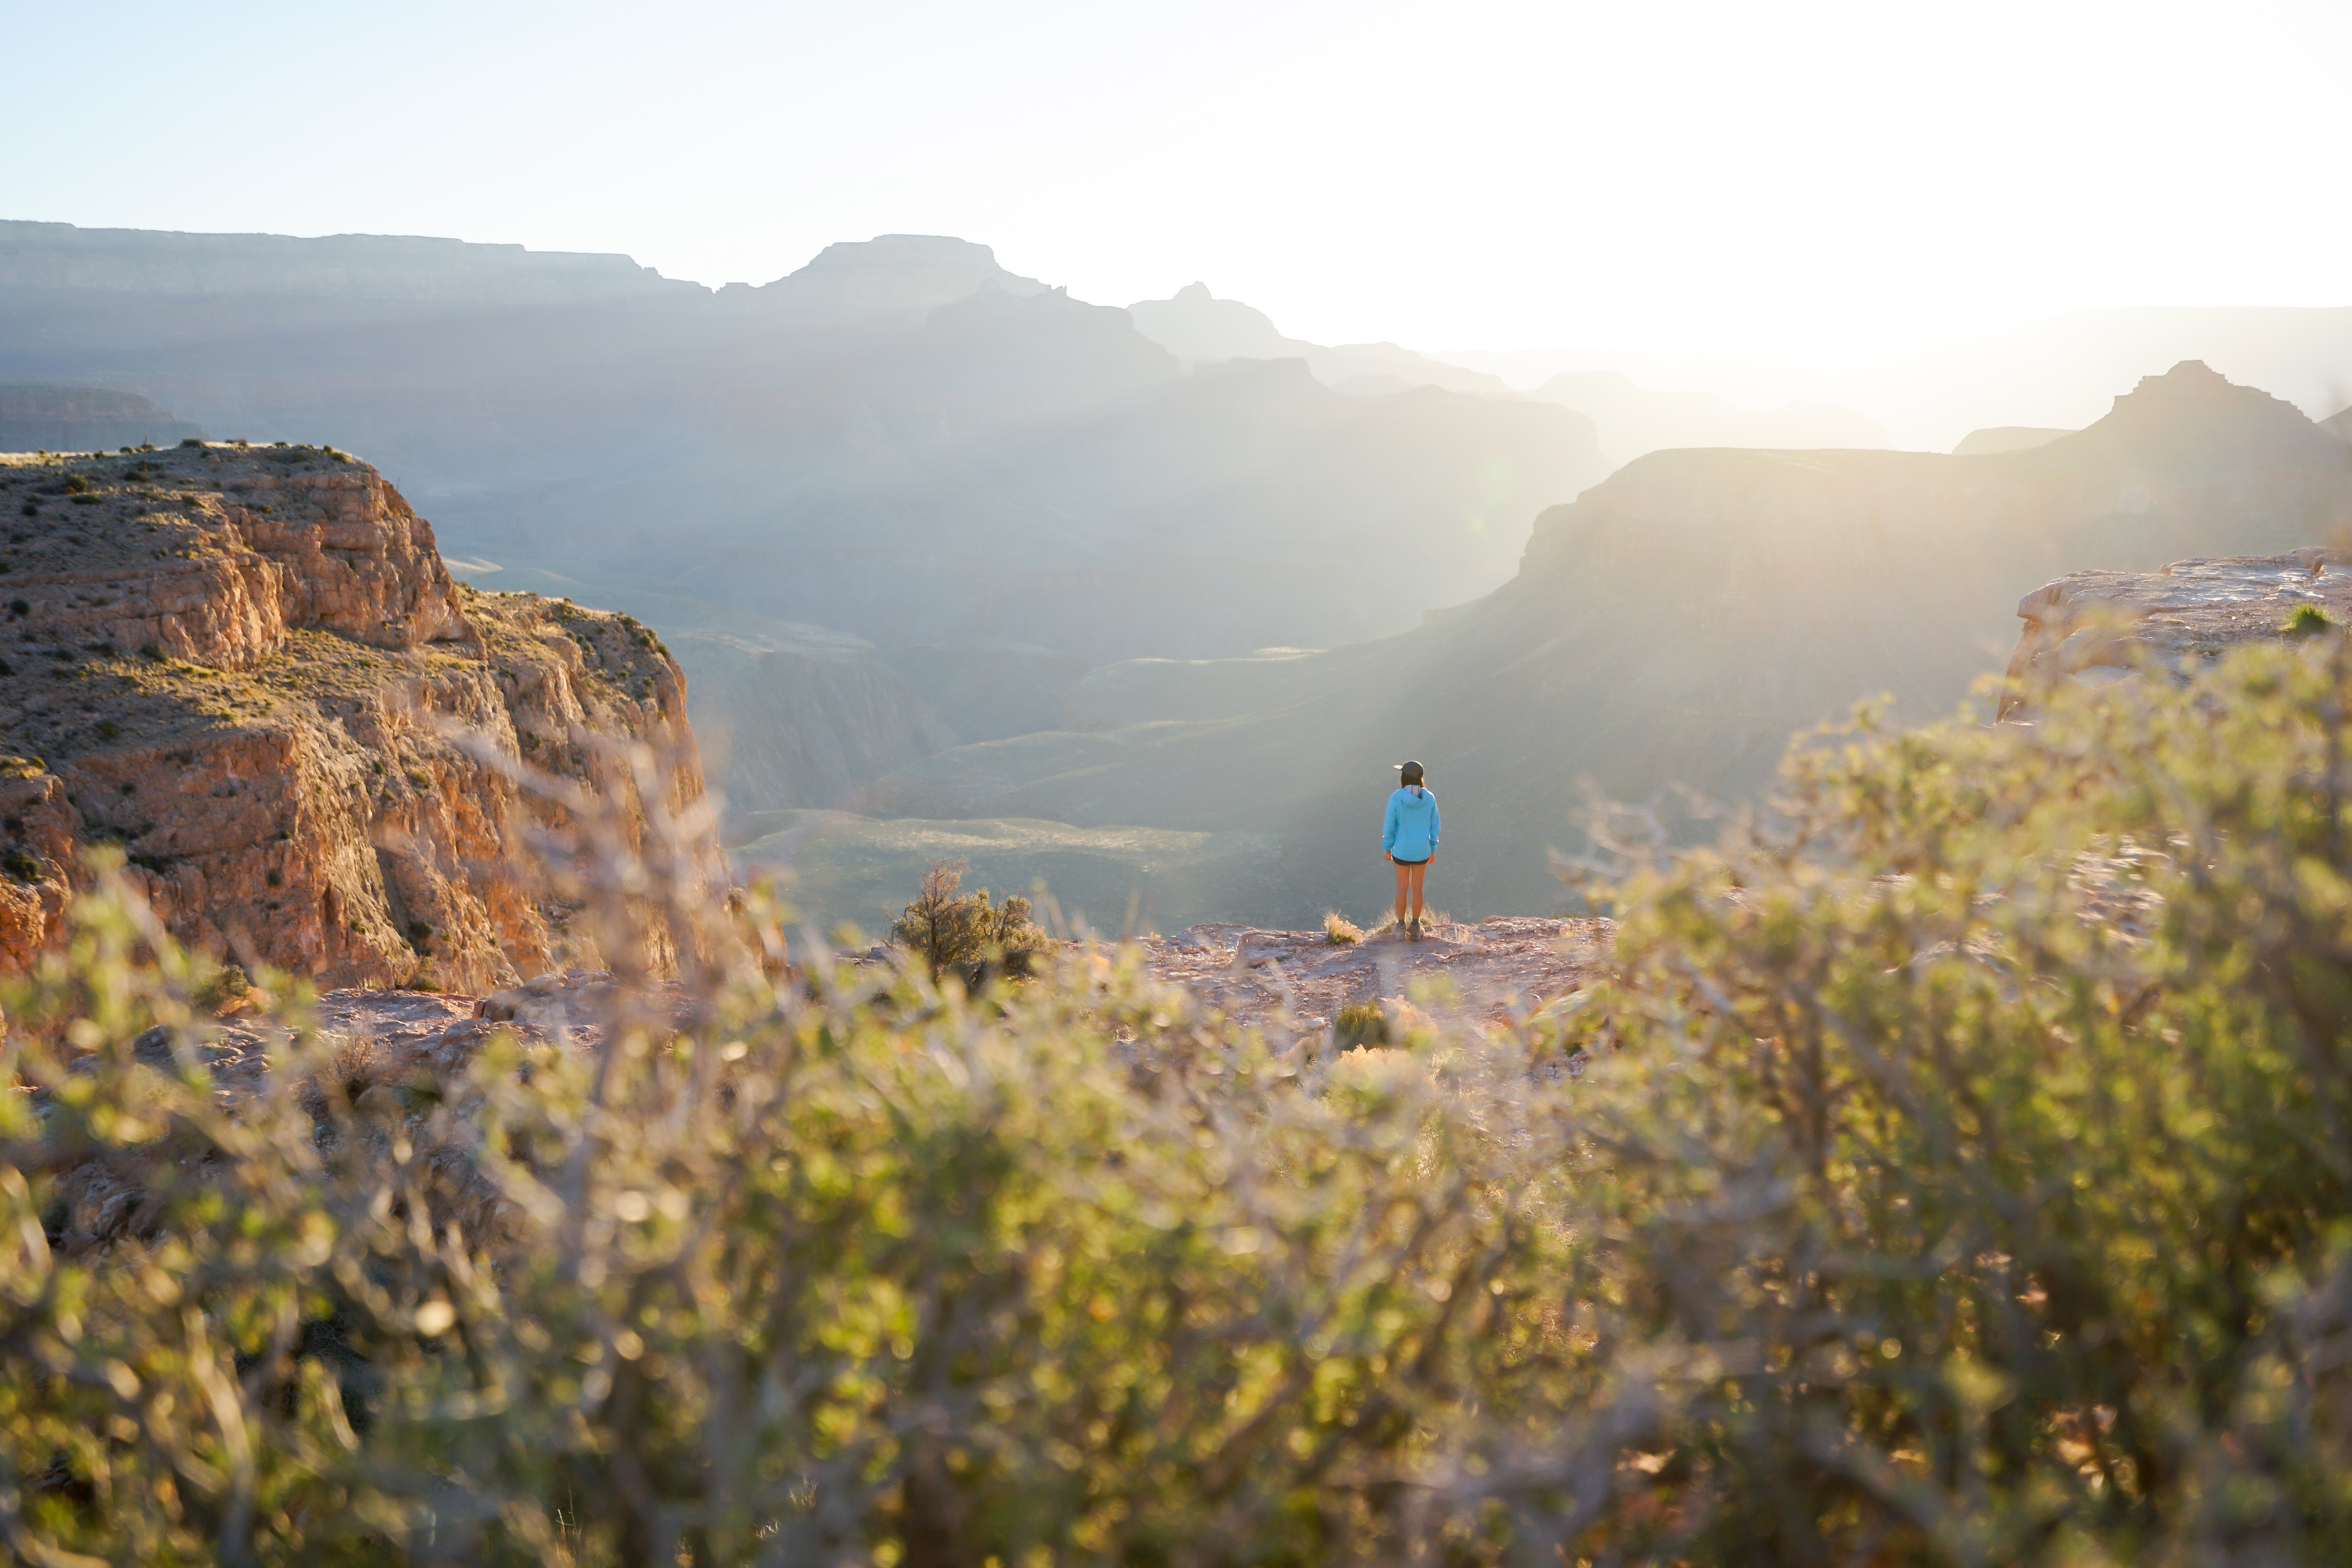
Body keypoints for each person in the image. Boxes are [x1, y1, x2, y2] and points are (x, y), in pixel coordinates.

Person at [1381, 759, 1441, 941]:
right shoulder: (1429, 798)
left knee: (1402, 887)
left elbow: (1390, 824)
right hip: (1422, 850)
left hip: (1401, 850)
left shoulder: (1397, 797)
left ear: (1404, 777)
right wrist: (1433, 848)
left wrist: (1387, 847)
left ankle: (1400, 928)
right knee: (1417, 888)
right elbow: (1435, 826)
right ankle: (1415, 928)